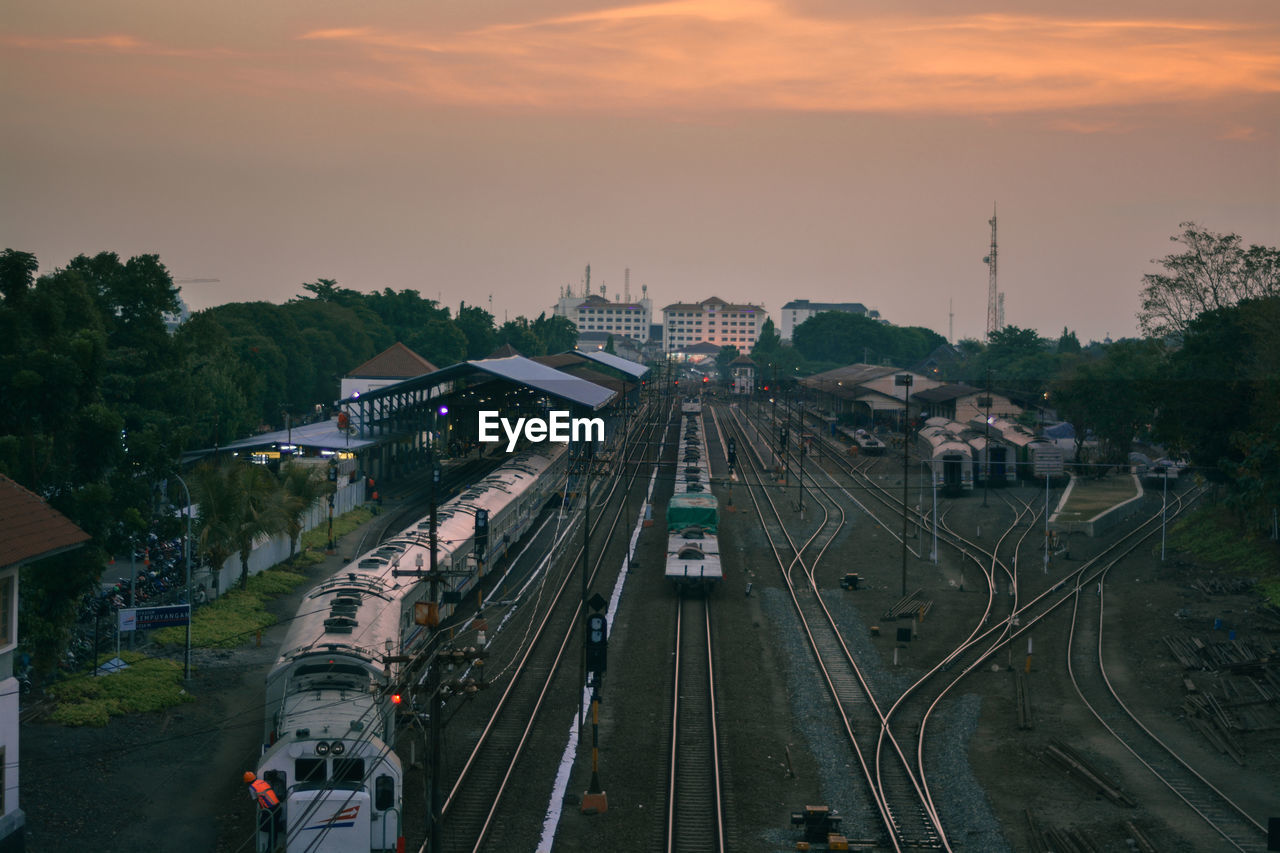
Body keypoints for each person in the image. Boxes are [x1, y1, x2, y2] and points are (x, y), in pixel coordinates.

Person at [245, 771, 282, 839]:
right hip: (278, 806)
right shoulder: (262, 781)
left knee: (264, 827)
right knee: (273, 828)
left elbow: (256, 799)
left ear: (247, 782)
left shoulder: (251, 787)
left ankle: (281, 827)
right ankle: (271, 847)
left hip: (270, 810)